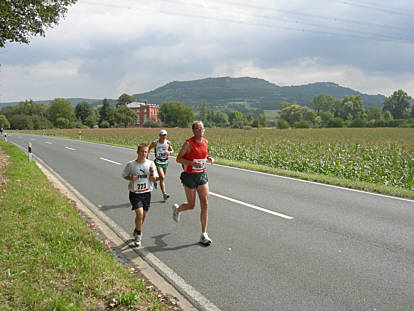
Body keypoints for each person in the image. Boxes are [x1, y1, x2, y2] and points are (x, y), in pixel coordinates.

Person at [172, 121, 214, 246]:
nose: (201, 130)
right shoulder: (188, 143)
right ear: (194, 130)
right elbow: (178, 159)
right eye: (198, 128)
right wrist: (191, 163)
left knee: (205, 204)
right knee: (191, 205)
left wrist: (209, 158)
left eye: (202, 128)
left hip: (201, 175)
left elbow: (203, 155)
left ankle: (204, 234)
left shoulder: (205, 142)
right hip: (189, 176)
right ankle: (177, 210)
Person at [122, 143, 158, 247]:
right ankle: (139, 235)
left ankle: (136, 229)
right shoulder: (131, 164)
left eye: (146, 152)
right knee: (140, 214)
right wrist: (131, 178)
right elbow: (124, 175)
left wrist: (151, 173)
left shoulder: (151, 164)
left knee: (143, 216)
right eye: (142, 151)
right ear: (137, 152)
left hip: (146, 193)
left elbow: (154, 179)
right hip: (135, 193)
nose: (143, 154)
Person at [148, 129, 174, 201]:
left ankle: (155, 179)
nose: (164, 136)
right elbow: (149, 149)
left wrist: (169, 152)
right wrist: (147, 157)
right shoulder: (155, 143)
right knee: (162, 177)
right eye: (162, 135)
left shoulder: (168, 142)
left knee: (162, 177)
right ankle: (164, 194)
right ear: (159, 135)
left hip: (165, 162)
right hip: (158, 162)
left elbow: (172, 150)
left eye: (165, 135)